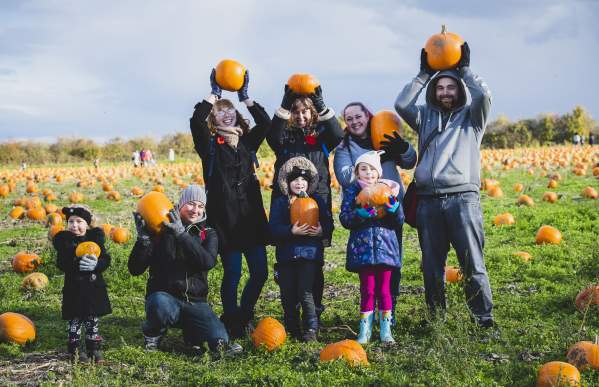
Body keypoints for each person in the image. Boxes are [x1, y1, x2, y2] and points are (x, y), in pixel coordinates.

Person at [394, 43, 495, 329]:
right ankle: (436, 318)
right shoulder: (424, 116)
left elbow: (485, 95)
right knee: (431, 267)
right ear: (434, 91)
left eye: (451, 87)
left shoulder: (473, 118)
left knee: (471, 262)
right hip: (428, 202)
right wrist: (424, 75)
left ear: (460, 89)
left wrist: (465, 69)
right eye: (441, 88)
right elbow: (401, 105)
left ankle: (483, 318)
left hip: (463, 199)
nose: (446, 92)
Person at [189, 69, 270, 338]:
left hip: (252, 220)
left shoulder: (248, 143)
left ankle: (244, 313)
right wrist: (215, 94)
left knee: (259, 272)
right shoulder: (209, 146)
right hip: (225, 221)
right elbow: (195, 121)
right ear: (213, 117)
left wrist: (245, 96)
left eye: (230, 110)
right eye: (220, 111)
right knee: (232, 273)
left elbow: (266, 125)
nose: (226, 113)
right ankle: (233, 320)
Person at [128, 185, 242, 357]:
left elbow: (207, 261)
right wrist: (144, 240)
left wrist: (181, 234)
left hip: (195, 302)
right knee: (158, 303)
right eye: (190, 204)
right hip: (166, 298)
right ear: (180, 204)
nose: (195, 210)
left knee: (219, 340)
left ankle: (192, 333)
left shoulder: (208, 233)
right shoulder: (161, 229)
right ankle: (153, 333)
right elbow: (135, 269)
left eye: (200, 205)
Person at [333, 102, 416, 325]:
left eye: (358, 116)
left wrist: (402, 148)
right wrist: (372, 161)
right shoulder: (344, 149)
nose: (354, 121)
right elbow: (344, 176)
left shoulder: (384, 137)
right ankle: (369, 312)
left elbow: (410, 161)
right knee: (368, 268)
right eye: (349, 118)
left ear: (367, 116)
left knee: (391, 262)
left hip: (390, 211)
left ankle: (390, 311)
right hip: (363, 213)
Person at [266, 83, 343, 321]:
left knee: (313, 259)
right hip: (286, 202)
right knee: (287, 256)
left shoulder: (321, 138)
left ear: (312, 114)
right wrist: (283, 105)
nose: (300, 116)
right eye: (295, 112)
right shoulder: (284, 139)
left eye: (305, 112)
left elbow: (338, 134)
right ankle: (291, 307)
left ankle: (314, 309)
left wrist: (321, 104)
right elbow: (272, 135)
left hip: (315, 203)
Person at [339, 150, 403, 344]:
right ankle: (364, 331)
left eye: (372, 169)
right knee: (367, 290)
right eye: (363, 169)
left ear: (378, 173)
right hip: (363, 250)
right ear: (357, 173)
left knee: (384, 290)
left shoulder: (389, 191)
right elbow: (344, 218)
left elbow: (399, 221)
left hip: (385, 250)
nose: (368, 173)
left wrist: (394, 211)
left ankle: (386, 330)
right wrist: (360, 215)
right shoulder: (352, 192)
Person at [269, 156, 333, 342]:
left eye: (303, 180)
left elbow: (328, 223)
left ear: (309, 183)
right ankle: (292, 327)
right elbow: (273, 229)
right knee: (287, 293)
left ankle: (311, 327)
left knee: (306, 291)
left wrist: (322, 231)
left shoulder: (316, 202)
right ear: (287, 183)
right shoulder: (281, 203)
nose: (299, 183)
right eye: (295, 180)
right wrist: (291, 231)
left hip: (309, 255)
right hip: (287, 257)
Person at [53, 205, 112, 363]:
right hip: (74, 289)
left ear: (87, 223)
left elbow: (106, 259)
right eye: (71, 221)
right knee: (75, 320)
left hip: (93, 289)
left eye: (79, 221)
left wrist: (97, 264)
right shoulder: (65, 242)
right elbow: (62, 263)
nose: (75, 225)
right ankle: (75, 350)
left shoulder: (95, 240)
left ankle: (94, 348)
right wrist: (76, 262)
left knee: (92, 320)